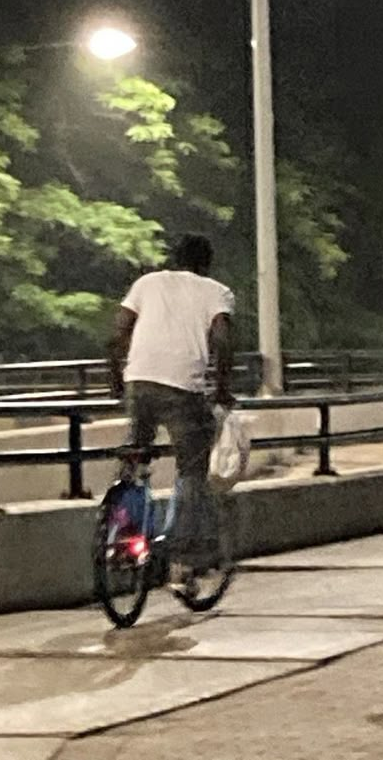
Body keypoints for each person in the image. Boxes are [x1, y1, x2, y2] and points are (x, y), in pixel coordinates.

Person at [108, 233, 235, 596]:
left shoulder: (146, 283)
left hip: (139, 381)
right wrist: (222, 388)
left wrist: (116, 378)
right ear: (205, 263)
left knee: (135, 455)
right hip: (183, 387)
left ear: (173, 259)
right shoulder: (216, 291)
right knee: (191, 470)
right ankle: (182, 565)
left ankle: (121, 537)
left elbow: (118, 331)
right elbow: (223, 341)